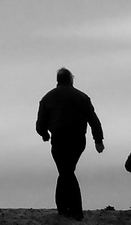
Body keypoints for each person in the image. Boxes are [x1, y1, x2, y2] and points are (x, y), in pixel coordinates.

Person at [36, 67, 104, 220]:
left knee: (65, 172)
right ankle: (64, 209)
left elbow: (40, 123)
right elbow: (94, 121)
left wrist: (44, 134)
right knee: (66, 171)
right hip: (78, 139)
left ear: (58, 80)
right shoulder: (82, 97)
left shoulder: (48, 98)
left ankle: (74, 210)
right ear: (71, 80)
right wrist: (98, 140)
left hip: (59, 138)